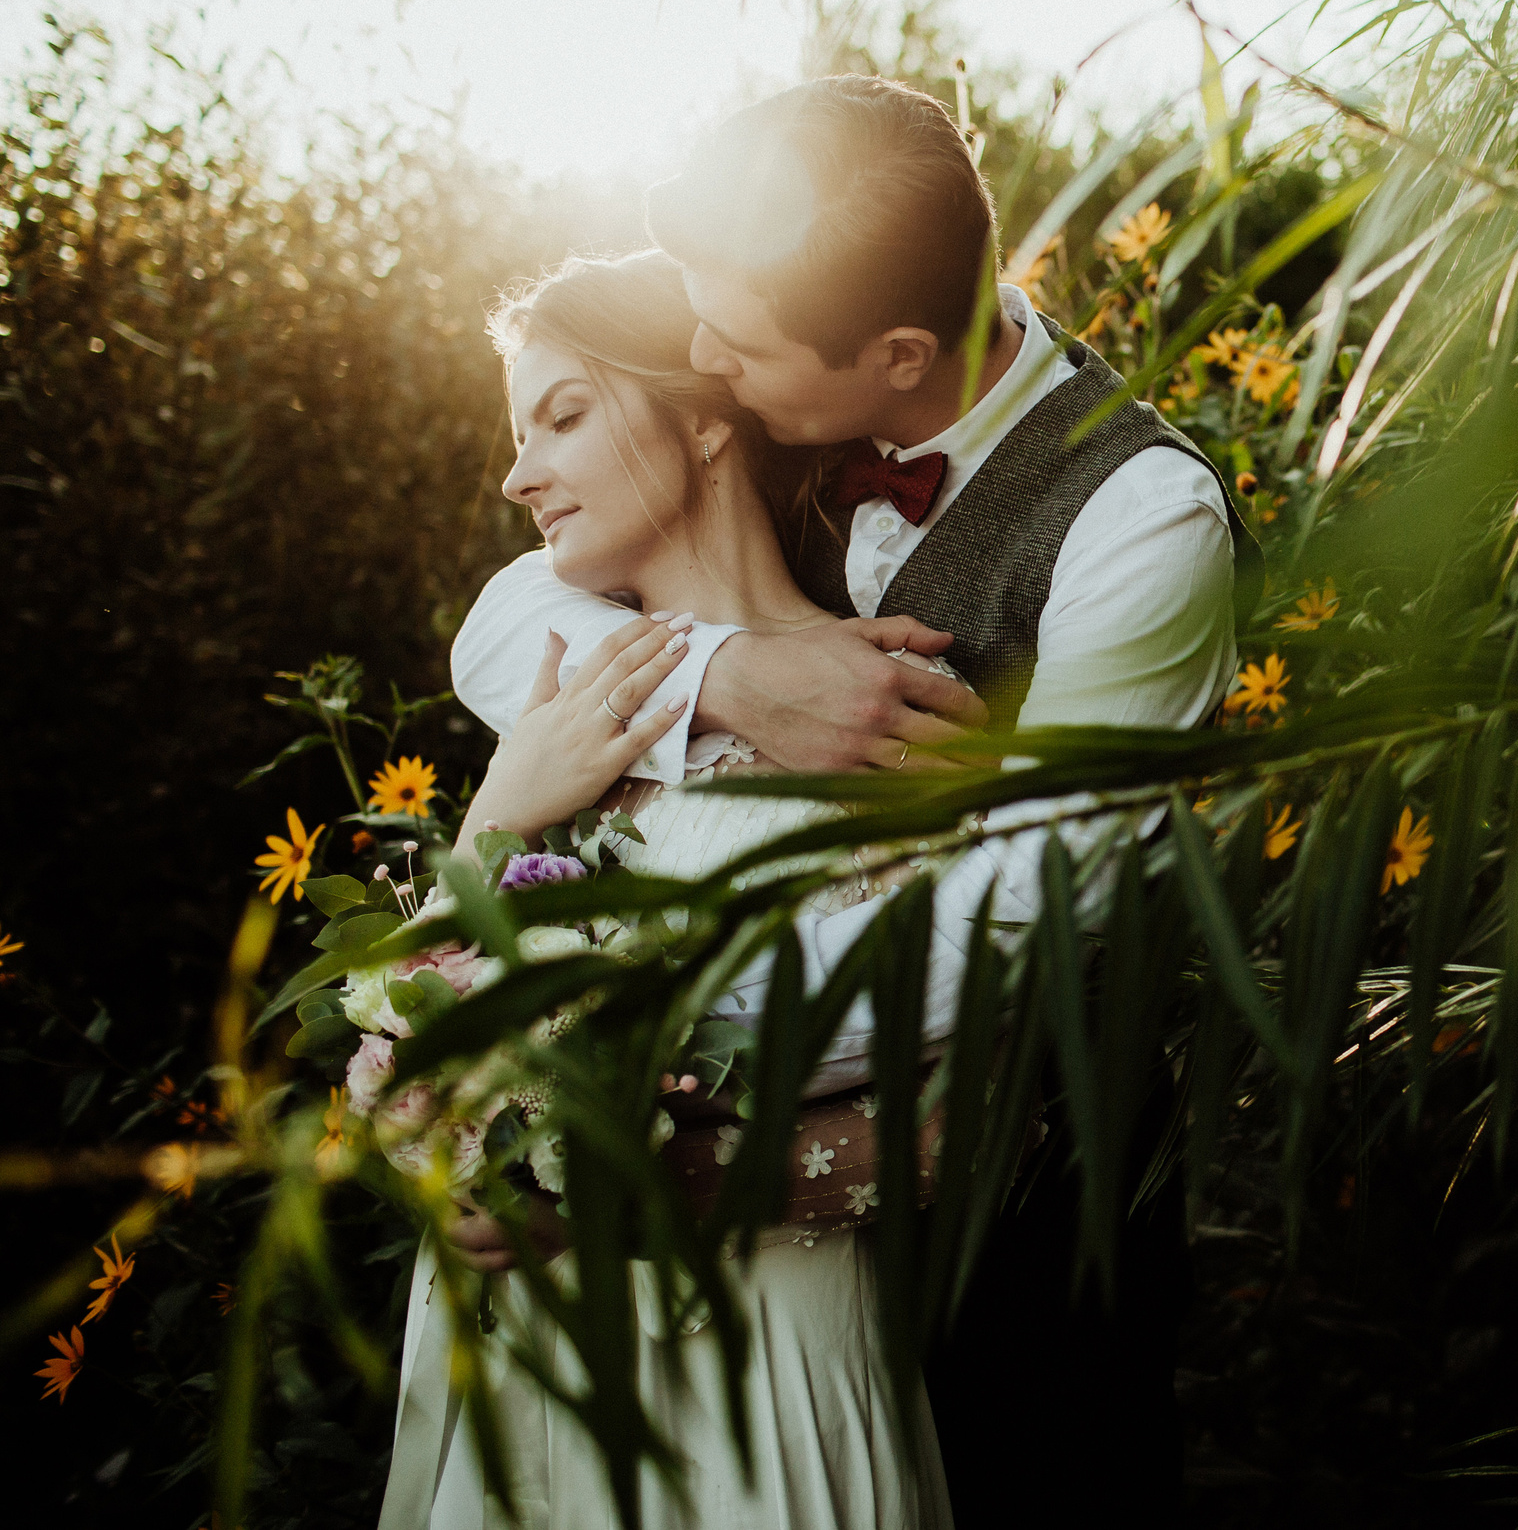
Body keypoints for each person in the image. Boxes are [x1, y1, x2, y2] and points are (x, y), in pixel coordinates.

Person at [447, 75, 1261, 1525]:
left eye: (732, 339)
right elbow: (505, 618)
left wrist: (650, 1031)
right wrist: (724, 674)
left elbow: (1020, 917)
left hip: (1012, 1255)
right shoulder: (772, 399)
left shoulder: (1141, 520)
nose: (702, 356)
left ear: (897, 356)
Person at [380, 251, 953, 1530]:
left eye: (563, 417)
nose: (518, 476)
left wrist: (604, 1190)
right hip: (526, 1370)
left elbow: (954, 1123)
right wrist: (495, 812)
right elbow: (398, 1055)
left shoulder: (870, 705)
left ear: (704, 414)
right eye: (518, 436)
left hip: (755, 1373)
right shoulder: (565, 712)